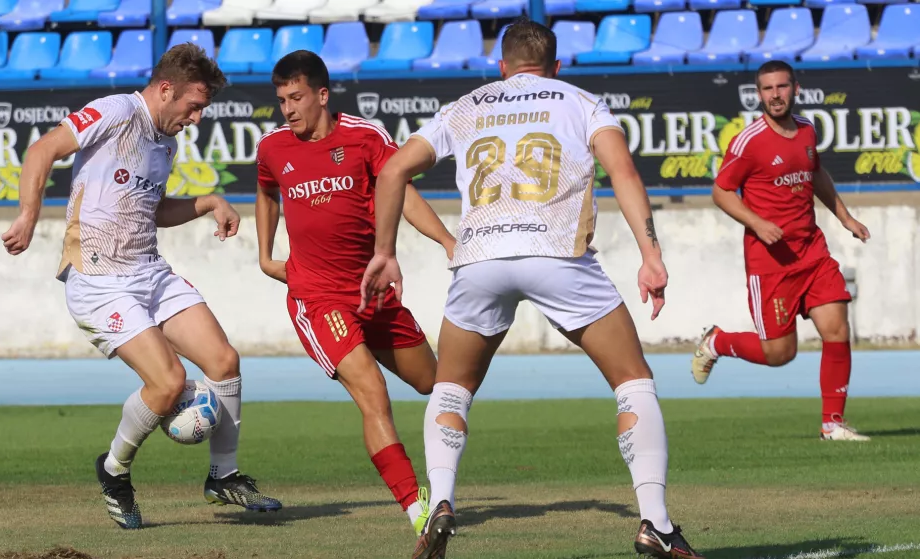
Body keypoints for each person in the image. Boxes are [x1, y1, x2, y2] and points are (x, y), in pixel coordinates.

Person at [360, 18, 703, 559]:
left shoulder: (467, 105)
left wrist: (384, 252)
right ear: (556, 66)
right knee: (632, 380)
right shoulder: (582, 102)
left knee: (451, 389)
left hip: (479, 260)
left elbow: (392, 171)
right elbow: (624, 173)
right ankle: (655, 523)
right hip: (556, 255)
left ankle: (441, 502)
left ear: (502, 66)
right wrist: (650, 254)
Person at [0, 43, 282, 530]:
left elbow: (152, 211)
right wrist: (28, 215)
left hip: (149, 271)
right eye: (194, 106)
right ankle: (114, 472)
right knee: (169, 382)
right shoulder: (116, 111)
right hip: (99, 280)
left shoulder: (166, 144)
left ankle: (224, 476)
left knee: (224, 361)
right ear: (166, 89)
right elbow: (43, 149)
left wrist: (208, 202)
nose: (196, 118)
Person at [254, 50, 456, 537]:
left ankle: (434, 491)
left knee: (434, 382)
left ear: (322, 95)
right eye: (282, 100)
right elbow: (266, 191)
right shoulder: (273, 147)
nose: (288, 109)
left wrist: (447, 241)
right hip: (318, 299)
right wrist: (264, 255)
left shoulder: (365, 137)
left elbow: (402, 190)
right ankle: (418, 510)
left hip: (372, 292)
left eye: (296, 97)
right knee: (372, 393)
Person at [691, 60, 871, 442]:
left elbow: (816, 173)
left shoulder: (806, 130)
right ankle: (717, 341)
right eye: (768, 89)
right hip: (770, 262)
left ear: (795, 89)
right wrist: (757, 223)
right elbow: (721, 191)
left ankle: (832, 424)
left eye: (782, 87)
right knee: (780, 354)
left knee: (837, 329)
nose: (775, 95)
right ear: (759, 94)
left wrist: (846, 218)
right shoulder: (748, 142)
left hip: (812, 251)